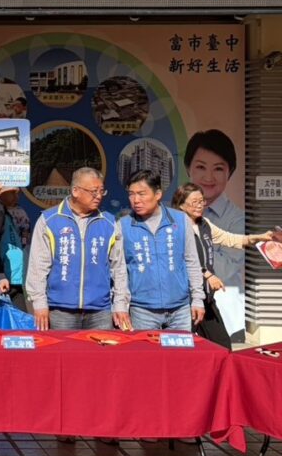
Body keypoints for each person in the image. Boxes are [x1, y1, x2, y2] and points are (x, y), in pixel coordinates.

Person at [172, 183, 279, 348]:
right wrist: (207, 275)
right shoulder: (174, 228)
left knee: (222, 345)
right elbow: (180, 260)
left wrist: (259, 237)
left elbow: (230, 239)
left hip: (206, 298)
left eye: (201, 201)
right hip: (183, 301)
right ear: (181, 205)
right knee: (181, 348)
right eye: (194, 202)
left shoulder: (204, 224)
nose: (200, 205)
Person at [25, 168, 129, 331]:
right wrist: (39, 303)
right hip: (60, 310)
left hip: (100, 310)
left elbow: (119, 268)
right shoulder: (49, 220)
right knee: (62, 349)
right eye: (93, 191)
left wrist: (120, 304)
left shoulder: (109, 223)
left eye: (101, 191)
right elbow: (38, 266)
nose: (99, 196)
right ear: (75, 191)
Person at [117, 171, 204, 332]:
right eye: (131, 194)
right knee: (146, 349)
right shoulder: (123, 225)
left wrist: (198, 298)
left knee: (181, 349)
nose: (136, 200)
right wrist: (120, 305)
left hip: (180, 309)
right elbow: (120, 270)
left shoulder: (180, 220)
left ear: (158, 194)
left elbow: (192, 261)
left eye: (141, 194)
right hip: (142, 310)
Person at [184, 130, 245, 334]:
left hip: (224, 317)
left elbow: (225, 269)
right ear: (188, 168)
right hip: (181, 312)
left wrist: (188, 245)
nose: (209, 177)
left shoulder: (238, 219)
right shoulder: (172, 214)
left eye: (218, 168)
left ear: (230, 172)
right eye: (201, 167)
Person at [0, 186, 29, 311]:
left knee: (20, 320)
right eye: (12, 193)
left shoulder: (8, 214)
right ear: (0, 194)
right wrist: (0, 274)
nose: (16, 197)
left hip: (14, 279)